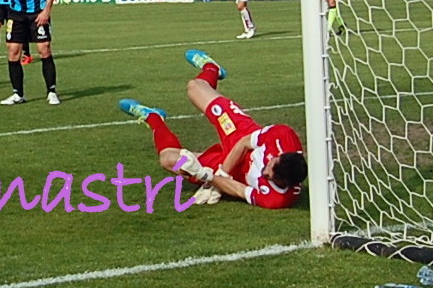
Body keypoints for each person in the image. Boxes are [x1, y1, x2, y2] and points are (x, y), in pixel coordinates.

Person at [119, 49, 306, 209]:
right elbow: (243, 143)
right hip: (240, 134)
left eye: (271, 177)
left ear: (286, 183)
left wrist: (208, 176)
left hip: (233, 172)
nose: (265, 173)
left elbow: (239, 190)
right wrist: (222, 174)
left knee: (168, 160)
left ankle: (153, 117)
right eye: (269, 167)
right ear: (279, 156)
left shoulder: (278, 199)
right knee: (194, 87)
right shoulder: (283, 136)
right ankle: (212, 69)